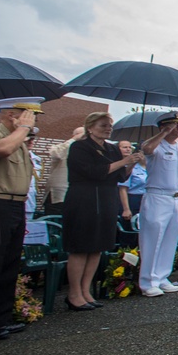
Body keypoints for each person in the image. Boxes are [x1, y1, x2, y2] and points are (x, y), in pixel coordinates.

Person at [64, 111, 142, 310]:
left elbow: (120, 177)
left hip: (106, 199)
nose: (108, 129)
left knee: (98, 246)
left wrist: (130, 164)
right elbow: (93, 172)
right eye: (103, 125)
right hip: (84, 199)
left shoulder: (112, 149)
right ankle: (74, 294)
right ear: (90, 127)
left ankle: (86, 290)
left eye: (110, 126)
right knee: (81, 246)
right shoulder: (80, 147)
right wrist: (123, 161)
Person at [0, 97, 44, 340]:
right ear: (11, 115)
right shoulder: (3, 136)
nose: (33, 121)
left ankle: (1, 320)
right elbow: (2, 150)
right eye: (28, 115)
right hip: (0, 203)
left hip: (17, 205)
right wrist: (24, 128)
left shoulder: (21, 141)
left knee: (9, 264)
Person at [139, 112, 178, 297]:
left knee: (170, 239)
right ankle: (147, 281)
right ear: (164, 127)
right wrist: (162, 133)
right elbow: (146, 149)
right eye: (174, 126)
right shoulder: (156, 145)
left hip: (175, 198)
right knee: (153, 239)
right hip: (157, 196)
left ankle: (162, 277)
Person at [42, 126, 84, 217]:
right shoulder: (63, 148)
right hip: (60, 196)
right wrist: (74, 139)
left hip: (79, 197)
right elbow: (55, 154)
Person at [116, 140, 146, 248]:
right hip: (133, 200)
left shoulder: (150, 169)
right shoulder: (131, 168)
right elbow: (123, 189)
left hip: (146, 200)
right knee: (130, 234)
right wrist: (126, 209)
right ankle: (127, 262)